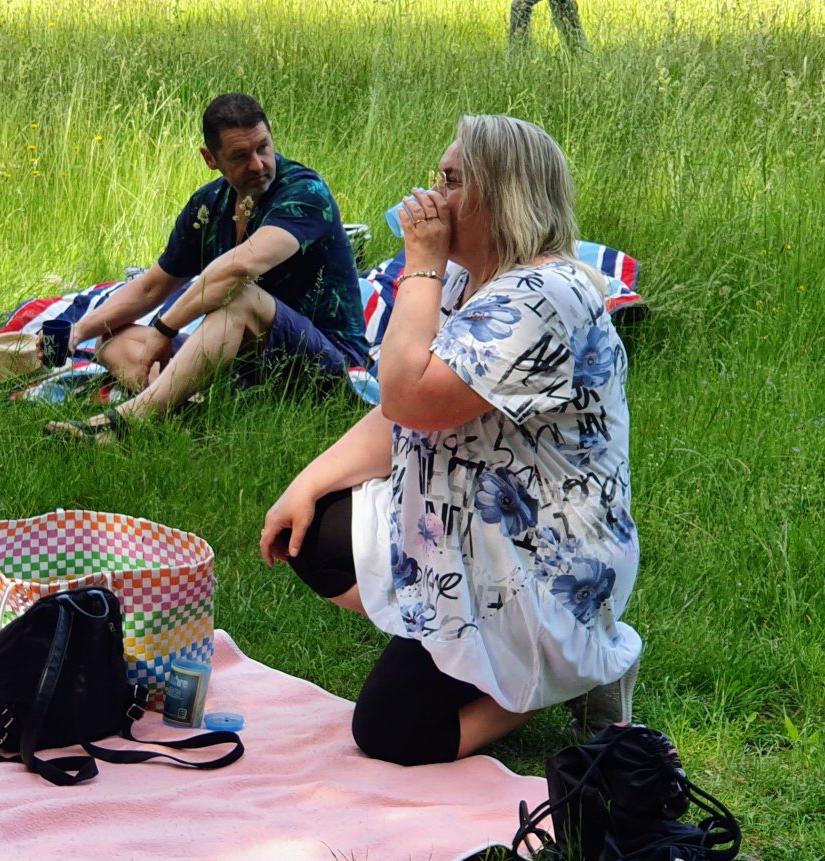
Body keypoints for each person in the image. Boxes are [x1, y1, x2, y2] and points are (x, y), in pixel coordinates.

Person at [259, 115, 641, 766]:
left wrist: (421, 268)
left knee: (390, 733)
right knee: (313, 531)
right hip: (467, 521)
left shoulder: (543, 297)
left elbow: (409, 394)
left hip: (544, 556)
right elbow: (401, 415)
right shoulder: (474, 277)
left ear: (504, 196)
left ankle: (565, 674)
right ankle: (473, 649)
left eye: (452, 181)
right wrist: (307, 483)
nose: (432, 196)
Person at [45, 93, 368, 442]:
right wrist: (78, 331)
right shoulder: (209, 205)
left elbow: (240, 269)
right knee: (111, 338)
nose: (258, 164)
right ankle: (189, 410)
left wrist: (164, 328)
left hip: (327, 364)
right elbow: (151, 287)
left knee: (238, 297)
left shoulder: (305, 191)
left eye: (263, 147)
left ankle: (122, 424)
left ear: (272, 134)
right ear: (210, 159)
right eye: (240, 156)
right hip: (243, 363)